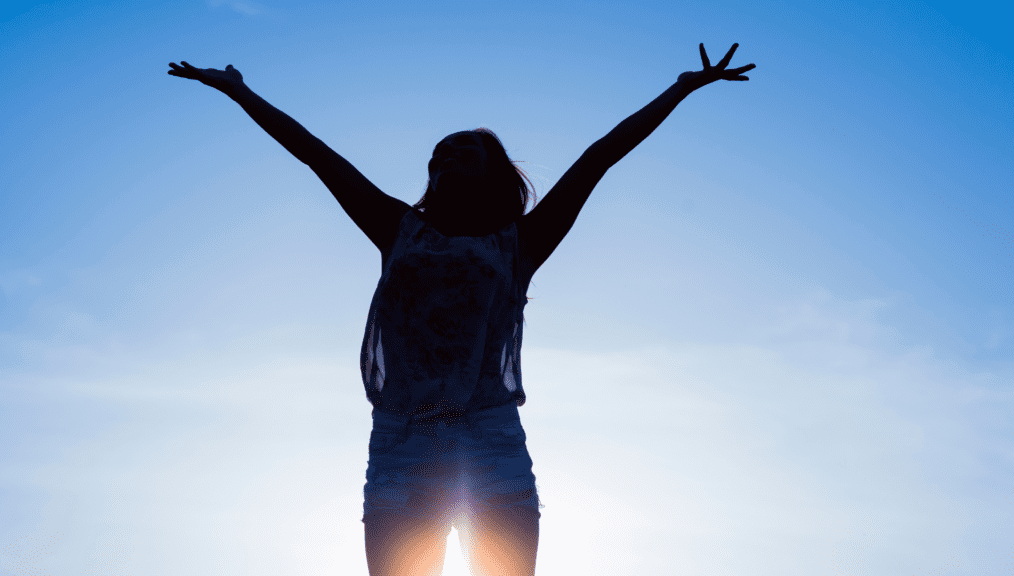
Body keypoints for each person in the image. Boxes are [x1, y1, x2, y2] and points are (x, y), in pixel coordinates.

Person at [168, 43, 754, 576]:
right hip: (403, 440)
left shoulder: (522, 242)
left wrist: (679, 89)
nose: (448, 156)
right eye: (439, 153)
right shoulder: (396, 228)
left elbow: (600, 156)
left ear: (494, 173)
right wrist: (239, 91)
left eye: (464, 150)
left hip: (489, 439)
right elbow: (316, 156)